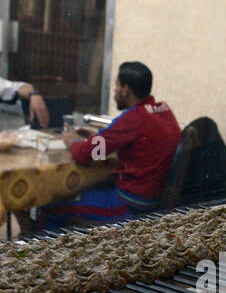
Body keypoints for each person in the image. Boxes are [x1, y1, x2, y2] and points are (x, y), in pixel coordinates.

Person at [41, 62, 182, 230]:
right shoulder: (163, 110)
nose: (114, 90)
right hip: (154, 197)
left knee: (50, 207)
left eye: (116, 85)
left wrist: (72, 142)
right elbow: (128, 141)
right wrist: (96, 138)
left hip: (131, 203)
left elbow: (85, 154)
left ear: (125, 89)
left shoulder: (133, 118)